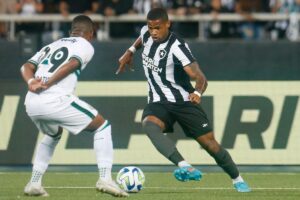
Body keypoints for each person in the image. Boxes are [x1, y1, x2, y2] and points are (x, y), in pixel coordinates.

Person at [116, 8, 251, 192]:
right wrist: (130, 50)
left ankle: (237, 179)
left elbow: (200, 77)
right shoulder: (146, 33)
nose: (153, 32)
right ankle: (184, 165)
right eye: (150, 27)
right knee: (149, 125)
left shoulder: (177, 47)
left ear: (168, 24)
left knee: (210, 145)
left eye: (158, 28)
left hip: (184, 101)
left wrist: (197, 92)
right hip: (158, 101)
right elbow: (141, 39)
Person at [20, 15, 128, 197]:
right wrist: (49, 83)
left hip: (32, 101)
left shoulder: (52, 45)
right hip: (54, 99)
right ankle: (105, 178)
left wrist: (32, 81)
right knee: (102, 126)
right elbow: (73, 63)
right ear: (91, 34)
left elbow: (26, 66)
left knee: (53, 134)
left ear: (71, 31)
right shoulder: (85, 44)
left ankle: (34, 183)